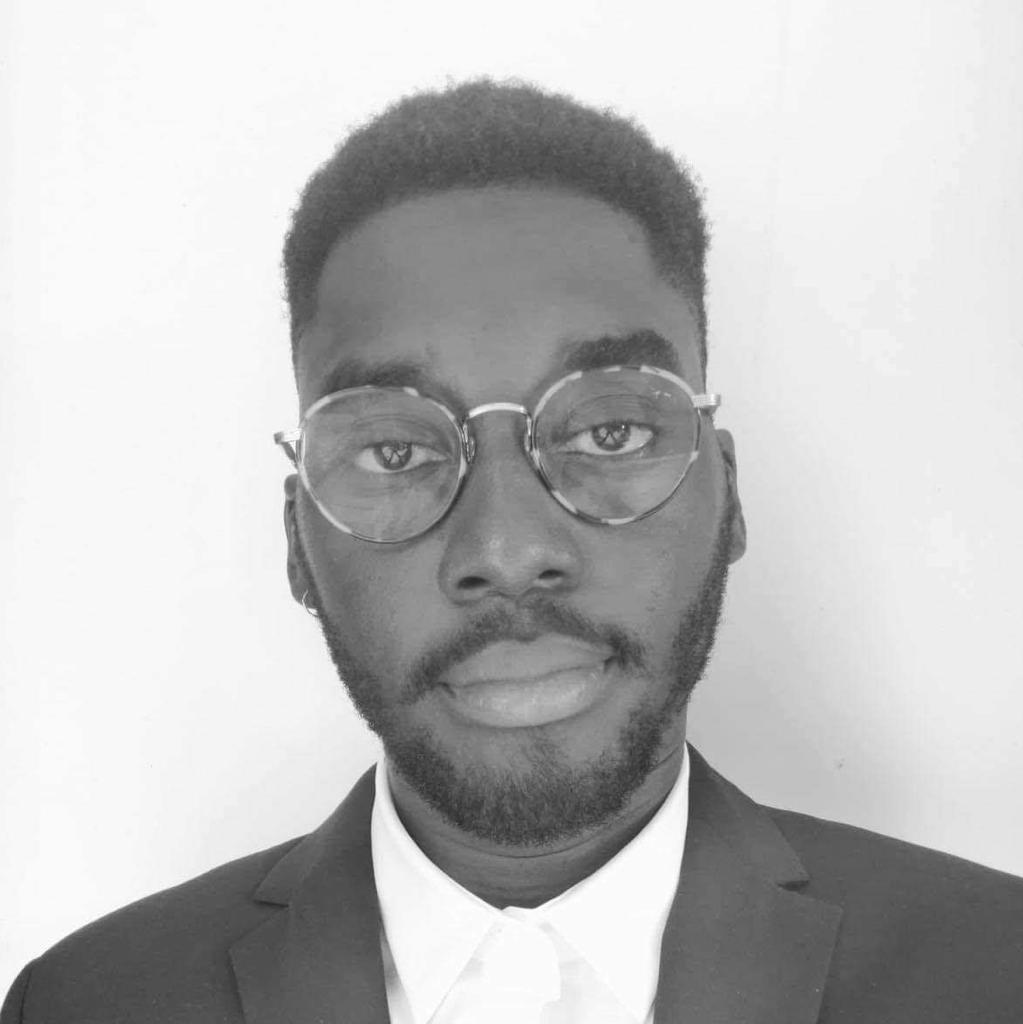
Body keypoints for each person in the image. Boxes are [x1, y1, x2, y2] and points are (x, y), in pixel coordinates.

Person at [3, 78, 1021, 1024]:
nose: (508, 546)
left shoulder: (996, 972)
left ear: (729, 493)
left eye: (610, 430)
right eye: (396, 450)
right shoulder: (85, 1005)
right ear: (297, 544)